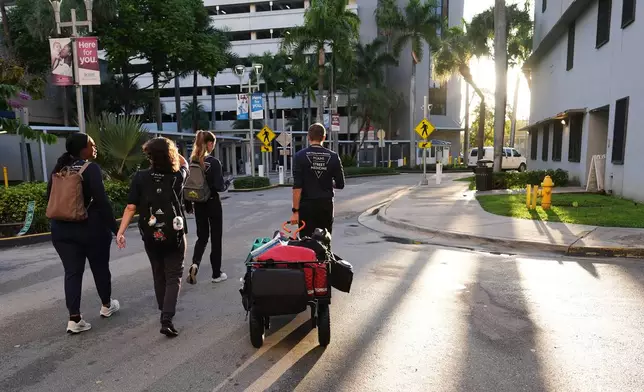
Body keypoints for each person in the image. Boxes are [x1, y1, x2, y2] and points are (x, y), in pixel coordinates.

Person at [116, 137, 189, 337]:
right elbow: (185, 164)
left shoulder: (140, 177)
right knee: (174, 274)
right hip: (174, 232)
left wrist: (120, 232)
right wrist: (172, 152)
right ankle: (167, 318)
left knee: (159, 272)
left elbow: (131, 206)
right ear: (169, 155)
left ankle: (162, 309)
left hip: (150, 233)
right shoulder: (177, 177)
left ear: (149, 157)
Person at [48, 133, 120, 334]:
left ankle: (74, 319)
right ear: (83, 149)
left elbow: (50, 198)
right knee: (100, 268)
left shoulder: (59, 169)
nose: (95, 147)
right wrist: (116, 229)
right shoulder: (90, 168)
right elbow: (103, 202)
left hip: (61, 230)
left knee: (72, 273)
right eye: (92, 144)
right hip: (91, 229)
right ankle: (106, 305)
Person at [184, 131, 231, 285]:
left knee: (202, 237)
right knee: (216, 238)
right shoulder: (213, 162)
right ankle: (216, 274)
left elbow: (188, 185)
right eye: (213, 144)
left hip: (198, 204)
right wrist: (227, 183)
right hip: (212, 203)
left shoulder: (192, 161)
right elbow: (218, 186)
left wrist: (188, 204)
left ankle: (195, 264)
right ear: (210, 143)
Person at [290, 123, 345, 238]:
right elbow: (340, 184)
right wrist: (328, 182)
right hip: (326, 206)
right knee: (325, 240)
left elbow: (297, 186)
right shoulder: (333, 157)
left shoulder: (299, 156)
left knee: (306, 241)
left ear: (308, 137)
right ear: (324, 138)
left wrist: (295, 211)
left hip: (307, 207)